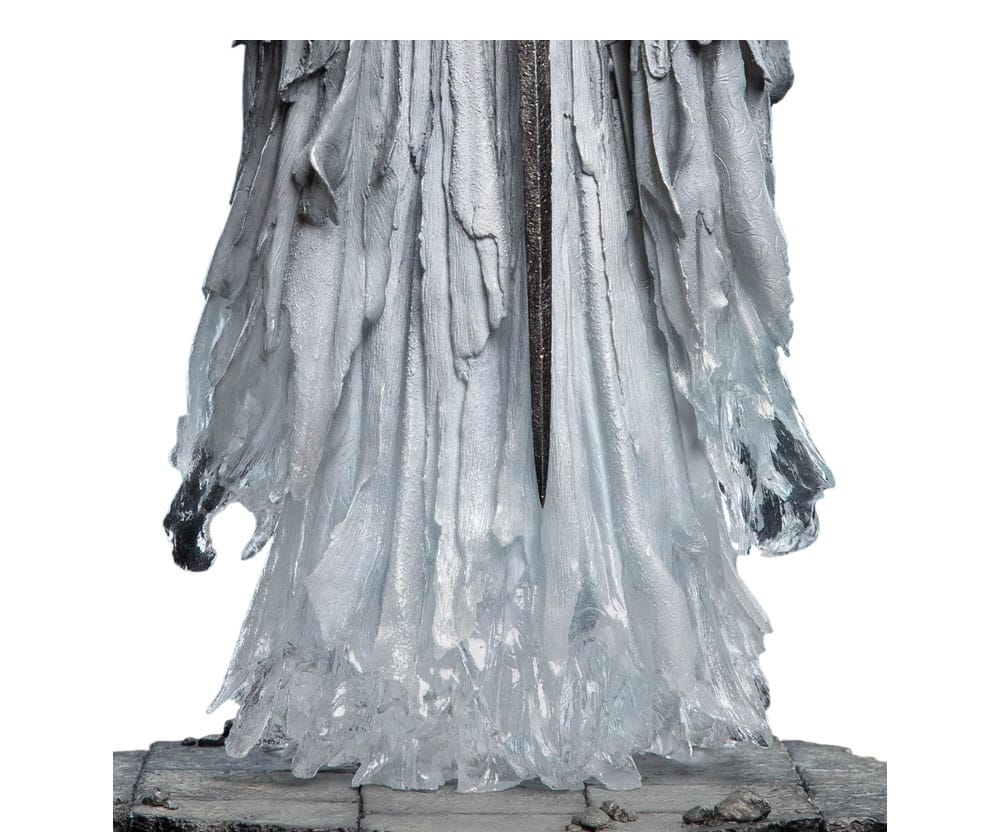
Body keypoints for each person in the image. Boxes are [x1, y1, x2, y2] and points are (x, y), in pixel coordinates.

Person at [166, 40, 831, 791]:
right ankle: (411, 677)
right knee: (413, 276)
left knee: (601, 285)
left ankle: (587, 667)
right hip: (416, 86)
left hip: (589, 95)